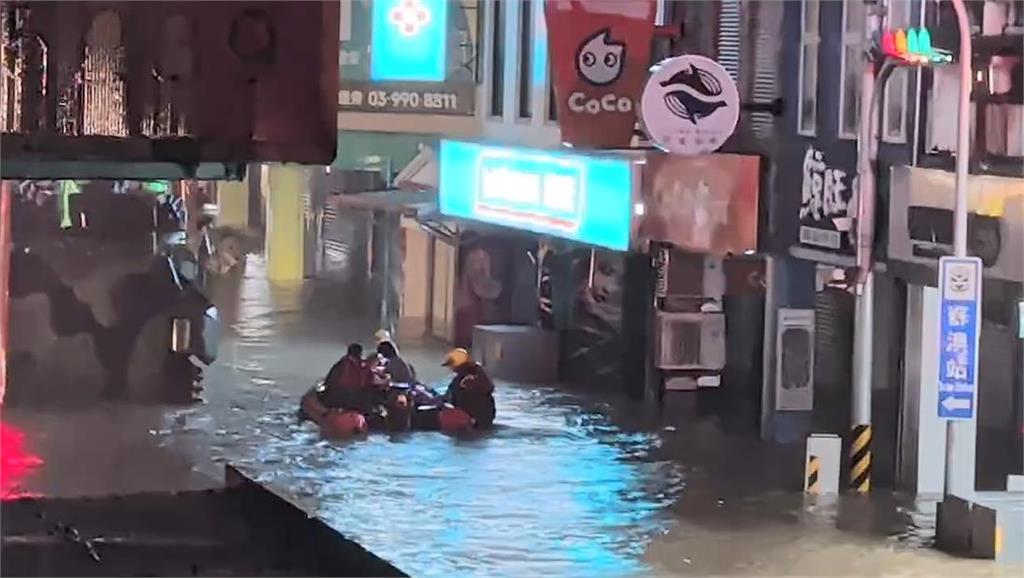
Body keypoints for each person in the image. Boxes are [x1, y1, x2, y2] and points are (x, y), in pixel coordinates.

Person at [441, 348, 496, 429]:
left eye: (451, 365)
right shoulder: (481, 375)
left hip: (469, 421)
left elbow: (450, 400)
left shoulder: (460, 381)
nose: (450, 368)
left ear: (456, 364)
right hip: (487, 418)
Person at [321, 343, 374, 412]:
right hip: (359, 398)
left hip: (342, 397)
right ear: (360, 354)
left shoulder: (341, 365)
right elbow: (370, 381)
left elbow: (330, 380)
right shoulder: (365, 366)